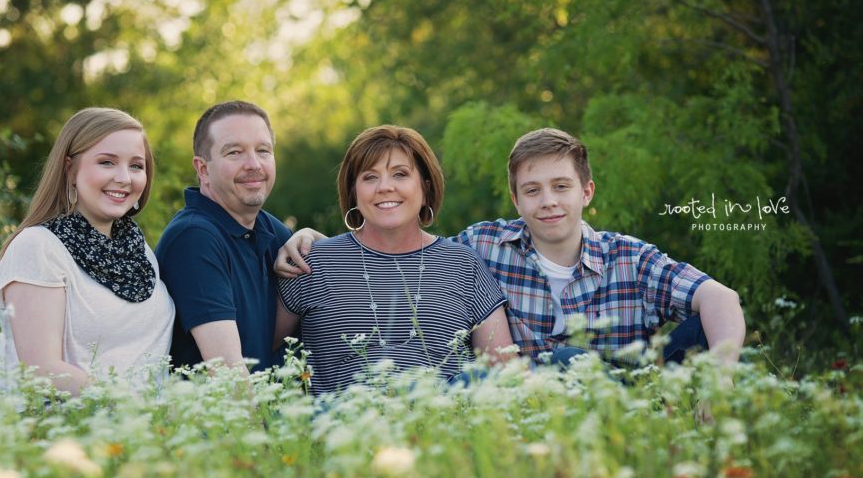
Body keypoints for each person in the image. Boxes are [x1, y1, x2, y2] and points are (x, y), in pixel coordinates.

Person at [278, 127, 745, 367]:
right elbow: (402, 247)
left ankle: (692, 420)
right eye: (533, 190)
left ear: (586, 192)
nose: (549, 202)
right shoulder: (481, 247)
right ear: (516, 198)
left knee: (716, 331)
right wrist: (311, 240)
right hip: (538, 403)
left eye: (561, 187)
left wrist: (720, 378)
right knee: (562, 362)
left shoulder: (631, 258)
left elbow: (721, 298)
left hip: (627, 392)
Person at [274, 125, 514, 395]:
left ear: (425, 187)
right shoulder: (313, 262)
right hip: (344, 426)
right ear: (353, 191)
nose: (385, 187)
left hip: (444, 423)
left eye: (400, 174)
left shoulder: (463, 264)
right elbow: (254, 357)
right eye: (370, 177)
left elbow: (504, 372)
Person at [0, 108, 174, 395]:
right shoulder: (38, 246)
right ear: (70, 169)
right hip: (64, 431)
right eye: (107, 162)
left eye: (136, 166)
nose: (124, 177)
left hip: (146, 433)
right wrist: (135, 408)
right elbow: (42, 371)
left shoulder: (140, 252)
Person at [156, 101, 292, 374]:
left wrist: (311, 238)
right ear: (203, 169)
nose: (253, 164)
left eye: (263, 150)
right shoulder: (193, 239)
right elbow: (227, 375)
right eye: (235, 152)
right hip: (220, 414)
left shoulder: (271, 230)